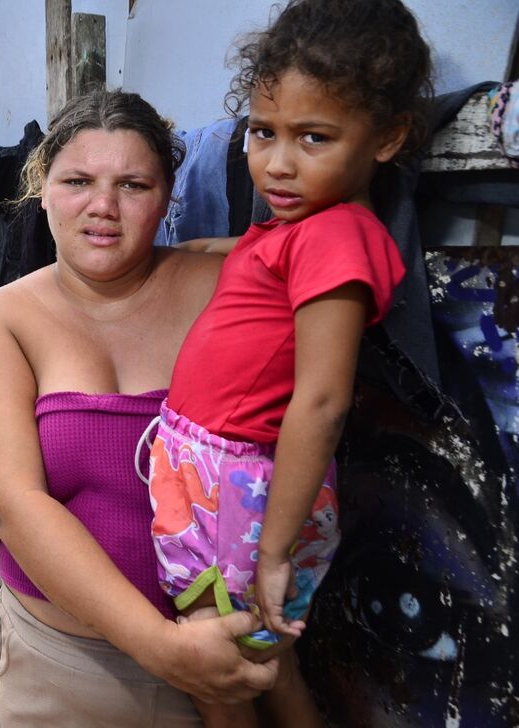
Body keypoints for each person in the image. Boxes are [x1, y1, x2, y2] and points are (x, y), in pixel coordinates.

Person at [0, 89, 280, 727]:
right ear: (42, 188)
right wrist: (162, 648)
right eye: (77, 181)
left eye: (133, 184)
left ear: (166, 197)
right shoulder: (0, 323)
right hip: (71, 674)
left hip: (225, 664)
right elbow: (14, 506)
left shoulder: (223, 287)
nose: (102, 207)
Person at [145, 0, 434, 725]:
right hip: (218, 482)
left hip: (243, 498)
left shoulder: (336, 237)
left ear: (389, 137)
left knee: (225, 670)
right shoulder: (290, 227)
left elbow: (322, 401)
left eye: (314, 137)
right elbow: (246, 267)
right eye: (262, 132)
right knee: (260, 665)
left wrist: (272, 553)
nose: (276, 162)